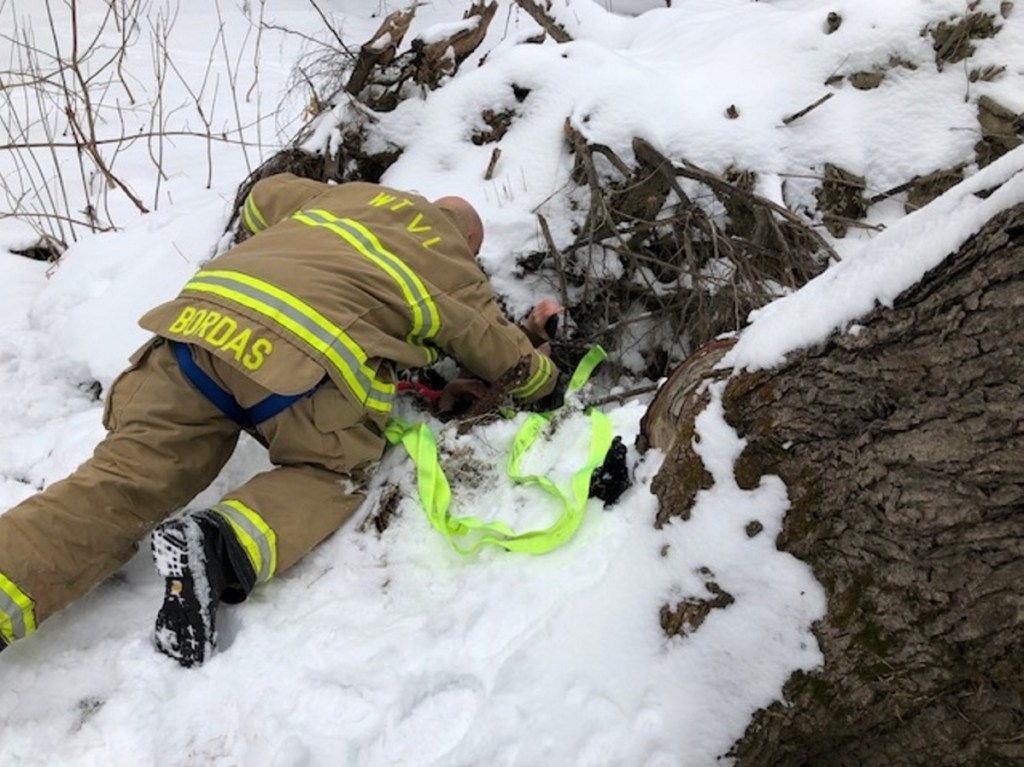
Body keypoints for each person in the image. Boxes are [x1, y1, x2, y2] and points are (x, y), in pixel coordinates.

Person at [0, 173, 562, 667]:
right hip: (303, 371)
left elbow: (261, 199)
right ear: (467, 243)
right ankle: (218, 547)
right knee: (331, 473)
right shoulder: (452, 265)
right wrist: (542, 358)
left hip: (193, 335)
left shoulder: (348, 198)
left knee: (120, 482)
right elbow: (514, 367)